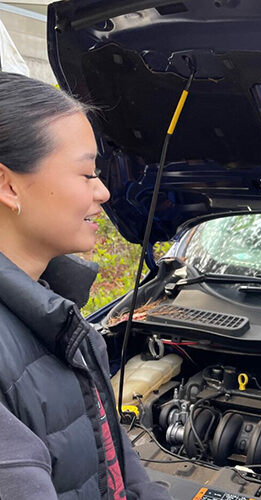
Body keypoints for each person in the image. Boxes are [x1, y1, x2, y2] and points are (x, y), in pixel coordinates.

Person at [0, 72, 171, 499]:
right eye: (88, 174)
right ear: (7, 184)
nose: (105, 192)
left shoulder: (58, 310)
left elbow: (120, 470)